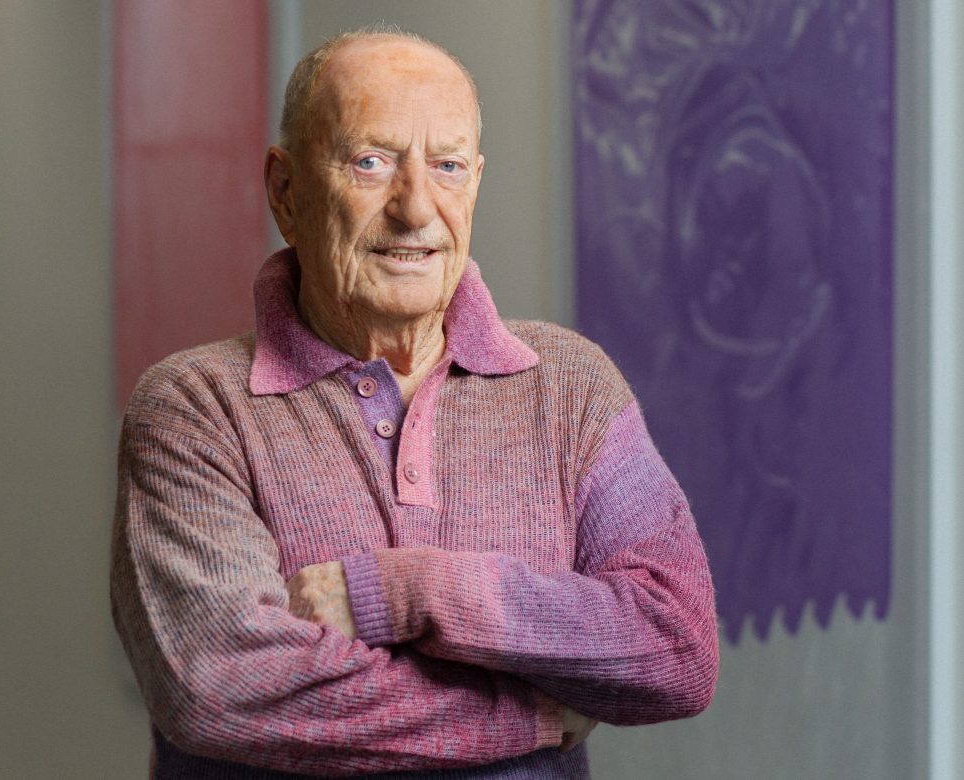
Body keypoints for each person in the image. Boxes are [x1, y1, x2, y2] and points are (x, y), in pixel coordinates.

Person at [111, 26, 719, 779]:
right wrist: (528, 715)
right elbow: (220, 686)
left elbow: (676, 644)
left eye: (448, 166)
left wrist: (404, 592)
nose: (416, 207)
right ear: (286, 191)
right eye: (371, 162)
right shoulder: (193, 408)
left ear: (476, 183)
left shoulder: (570, 386)